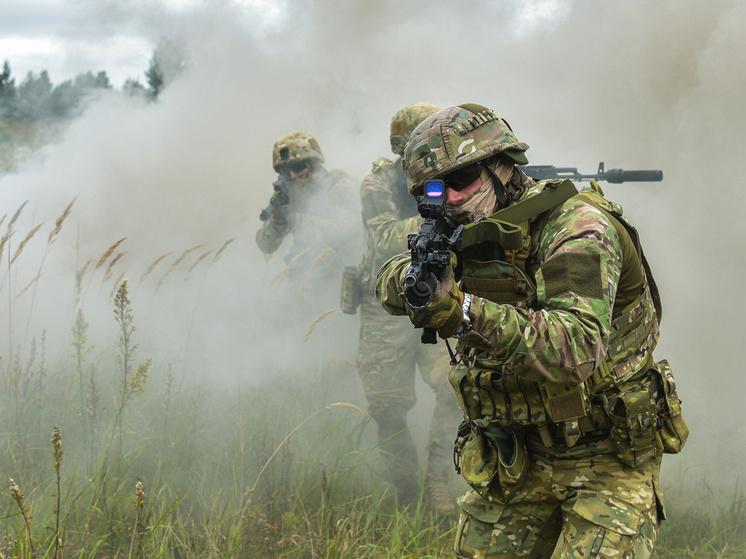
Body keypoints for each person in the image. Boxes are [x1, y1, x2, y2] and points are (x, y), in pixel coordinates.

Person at [376, 104, 688, 557]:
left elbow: (574, 350)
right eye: (433, 190)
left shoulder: (577, 226)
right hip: (515, 452)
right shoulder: (462, 225)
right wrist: (414, 282)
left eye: (462, 181)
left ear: (502, 166)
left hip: (607, 452)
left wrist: (461, 310)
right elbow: (390, 278)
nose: (451, 199)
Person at [351, 102, 463, 513]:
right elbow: (383, 239)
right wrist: (441, 215)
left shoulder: (449, 178)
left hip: (435, 292)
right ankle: (403, 491)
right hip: (385, 303)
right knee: (387, 404)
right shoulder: (376, 182)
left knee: (455, 385)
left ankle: (438, 482)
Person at [256, 131, 355, 276]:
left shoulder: (339, 186)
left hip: (339, 272)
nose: (293, 175)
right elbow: (265, 246)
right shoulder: (287, 194)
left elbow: (349, 230)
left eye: (297, 167)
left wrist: (296, 219)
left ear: (313, 164)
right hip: (304, 275)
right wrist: (277, 223)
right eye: (286, 171)